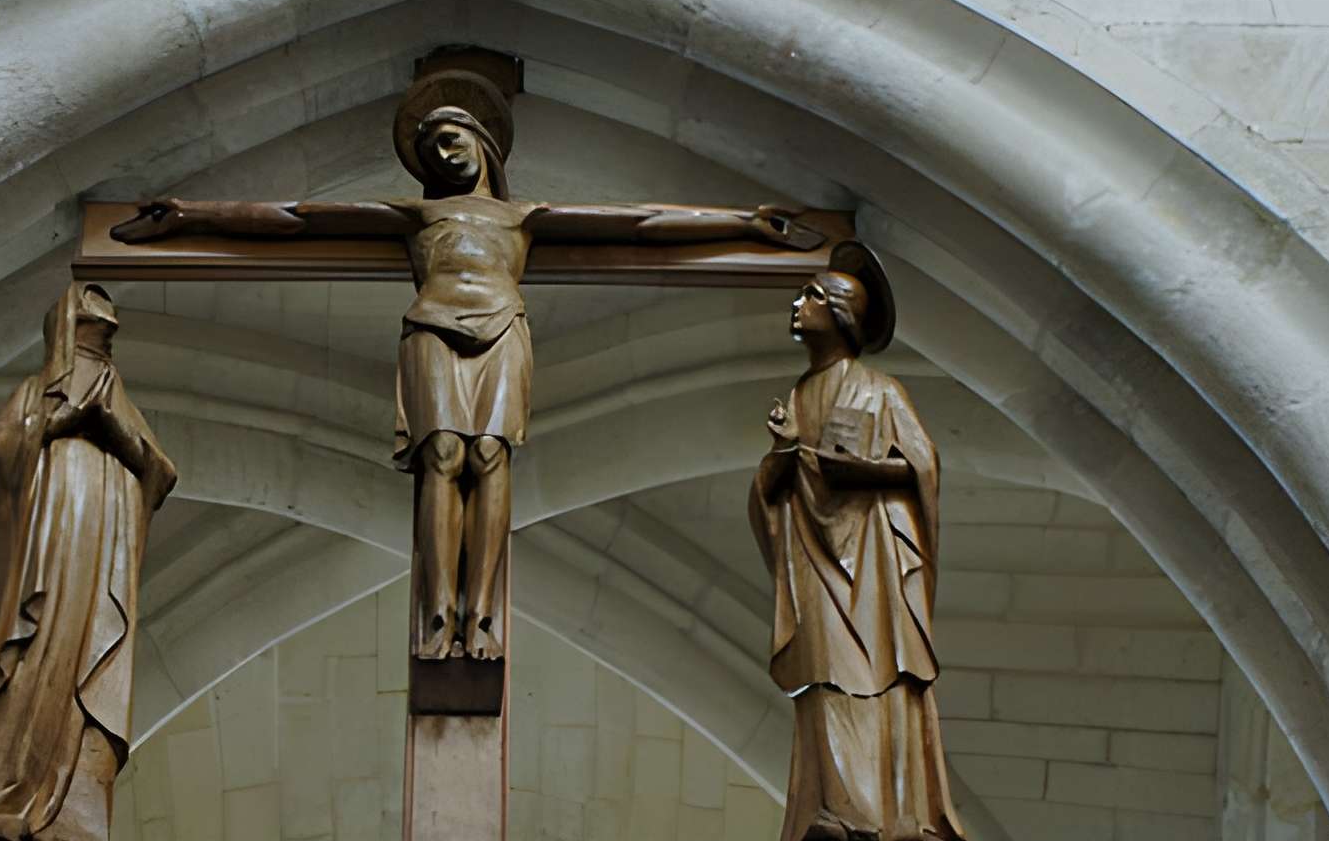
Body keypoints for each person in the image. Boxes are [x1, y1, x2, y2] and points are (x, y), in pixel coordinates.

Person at [114, 60, 820, 668]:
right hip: (432, 326)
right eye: (428, 150)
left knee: (490, 457)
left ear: (481, 144)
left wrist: (744, 226)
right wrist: (191, 219)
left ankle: (481, 611)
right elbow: (302, 220)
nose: (440, 156)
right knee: (443, 455)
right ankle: (438, 609)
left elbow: (640, 224)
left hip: (502, 326)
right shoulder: (420, 219)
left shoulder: (520, 219)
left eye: (449, 140)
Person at [0, 281, 176, 841]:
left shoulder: (118, 400)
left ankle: (68, 810)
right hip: (50, 548)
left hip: (100, 555)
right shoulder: (36, 392)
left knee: (85, 662)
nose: (99, 353)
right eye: (90, 337)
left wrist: (112, 429)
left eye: (106, 341)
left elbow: (159, 470)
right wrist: (57, 426)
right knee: (33, 661)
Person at [749, 242, 968, 841]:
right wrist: (786, 452)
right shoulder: (795, 397)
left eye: (813, 295)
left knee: (885, 674)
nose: (798, 304)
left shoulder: (881, 390)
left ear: (842, 313)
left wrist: (862, 472)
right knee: (822, 674)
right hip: (813, 557)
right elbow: (772, 489)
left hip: (872, 556)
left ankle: (893, 813)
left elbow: (921, 471)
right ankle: (841, 810)